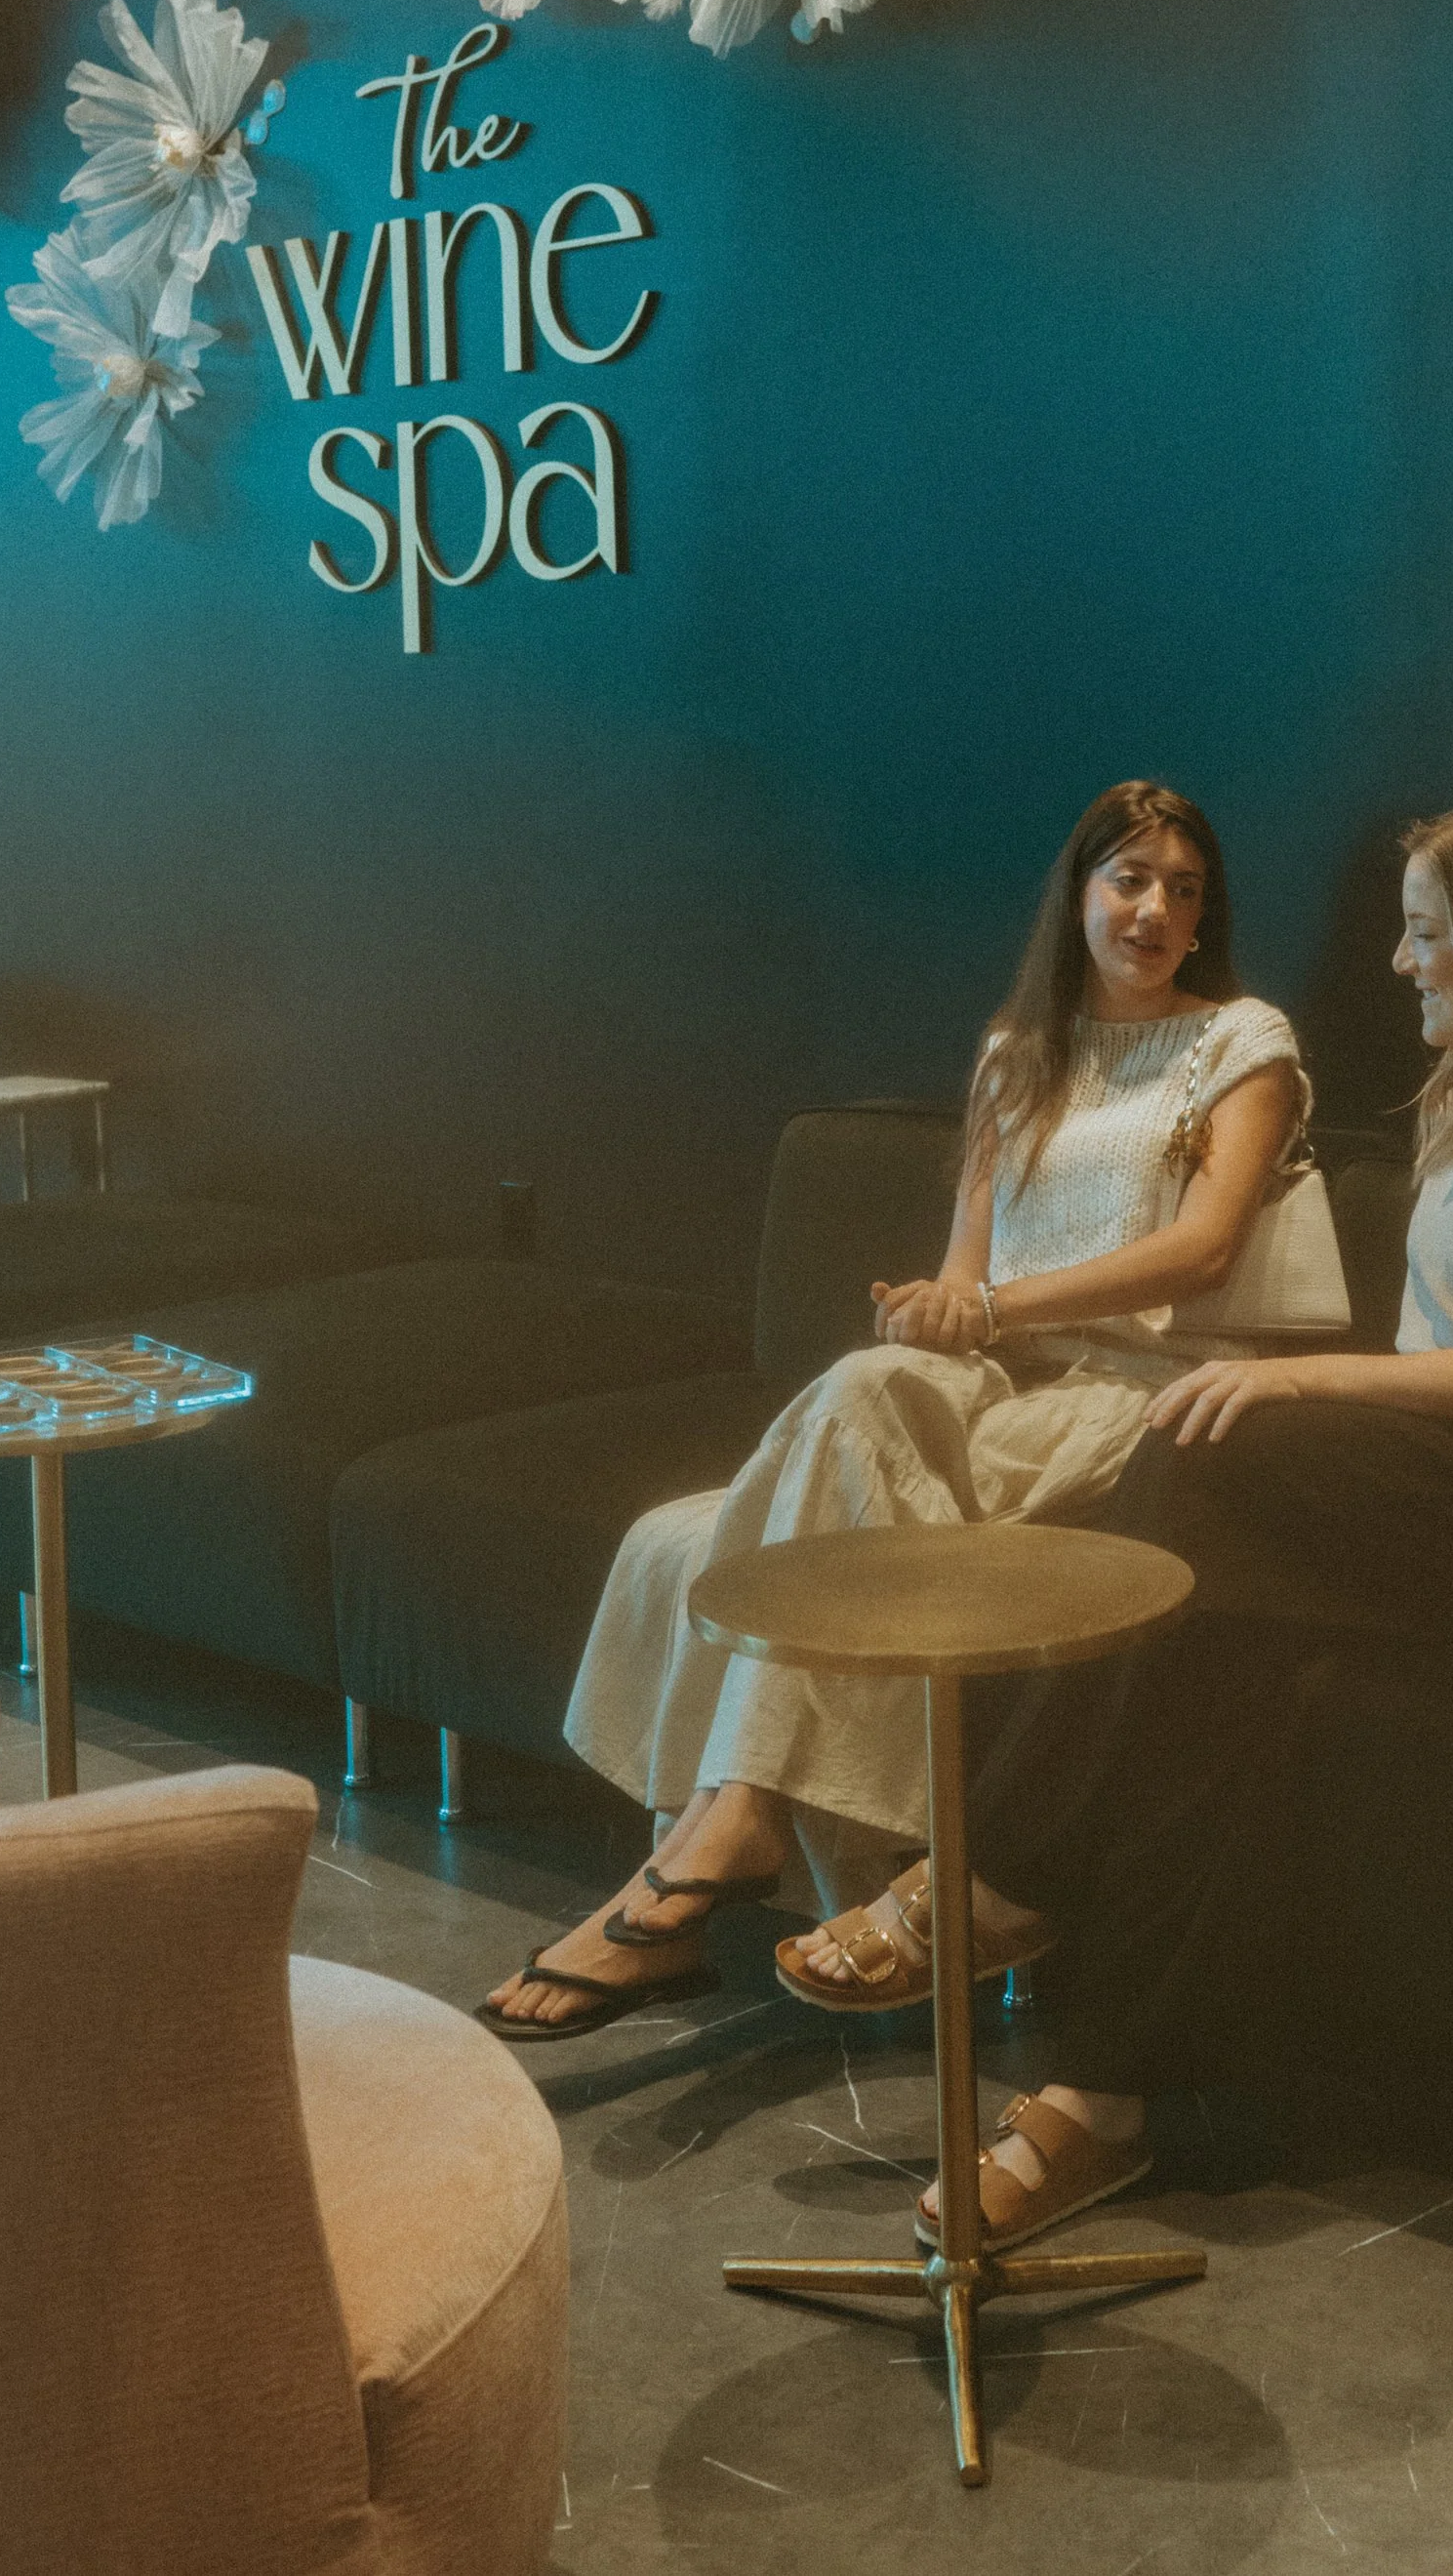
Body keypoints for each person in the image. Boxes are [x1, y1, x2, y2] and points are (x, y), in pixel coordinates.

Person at [859, 794, 1453, 2254]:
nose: (1402, 962)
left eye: (1430, 930)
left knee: (1208, 1457)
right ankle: (1103, 2103)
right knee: (1224, 1654)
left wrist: (1307, 1380)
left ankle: (1000, 1867)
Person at [480, 779, 1314, 2040]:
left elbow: (1202, 1252)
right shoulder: (1015, 1053)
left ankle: (726, 1820)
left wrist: (992, 1311)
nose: (1154, 908)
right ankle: (752, 1814)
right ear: (1080, 893)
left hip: (1141, 1393)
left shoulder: (1243, 1042)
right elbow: (969, 1267)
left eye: (1183, 889)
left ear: (1206, 920)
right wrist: (936, 1308)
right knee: (866, 1385)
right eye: (1130, 878)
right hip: (1003, 1376)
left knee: (817, 1494)